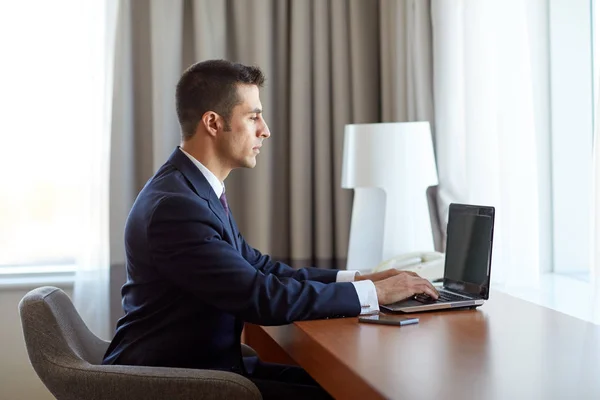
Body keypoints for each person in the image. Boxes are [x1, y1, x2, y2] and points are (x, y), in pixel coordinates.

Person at [102, 59, 439, 399]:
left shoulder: (192, 188)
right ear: (213, 123)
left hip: (209, 368)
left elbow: (260, 268)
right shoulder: (176, 207)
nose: (265, 129)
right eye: (253, 117)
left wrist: (361, 280)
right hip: (174, 383)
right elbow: (260, 297)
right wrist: (375, 295)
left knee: (344, 387)